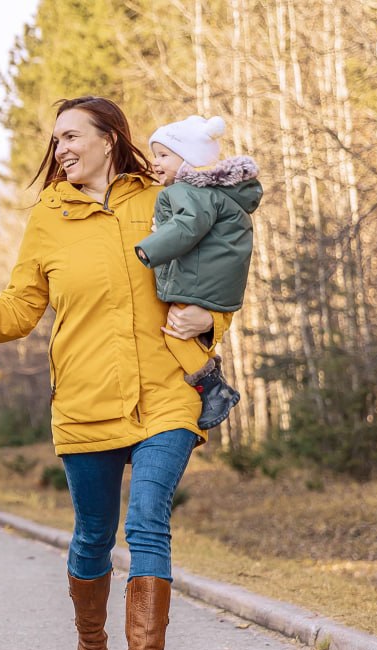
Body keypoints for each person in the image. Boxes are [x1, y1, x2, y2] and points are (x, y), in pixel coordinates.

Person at [0, 96, 230, 650]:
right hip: (87, 404)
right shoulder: (49, 220)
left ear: (110, 138)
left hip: (167, 395)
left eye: (71, 136)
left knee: (148, 524)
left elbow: (215, 270)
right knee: (93, 535)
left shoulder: (161, 200)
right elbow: (16, 312)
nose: (59, 149)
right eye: (55, 140)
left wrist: (213, 318)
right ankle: (93, 648)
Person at [137, 114, 262, 430]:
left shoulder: (186, 191)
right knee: (183, 335)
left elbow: (188, 226)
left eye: (163, 155)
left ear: (188, 159)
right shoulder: (214, 194)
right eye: (155, 155)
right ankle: (214, 387)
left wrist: (152, 246)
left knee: (176, 336)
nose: (155, 162)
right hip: (215, 282)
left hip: (198, 282)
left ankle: (215, 390)